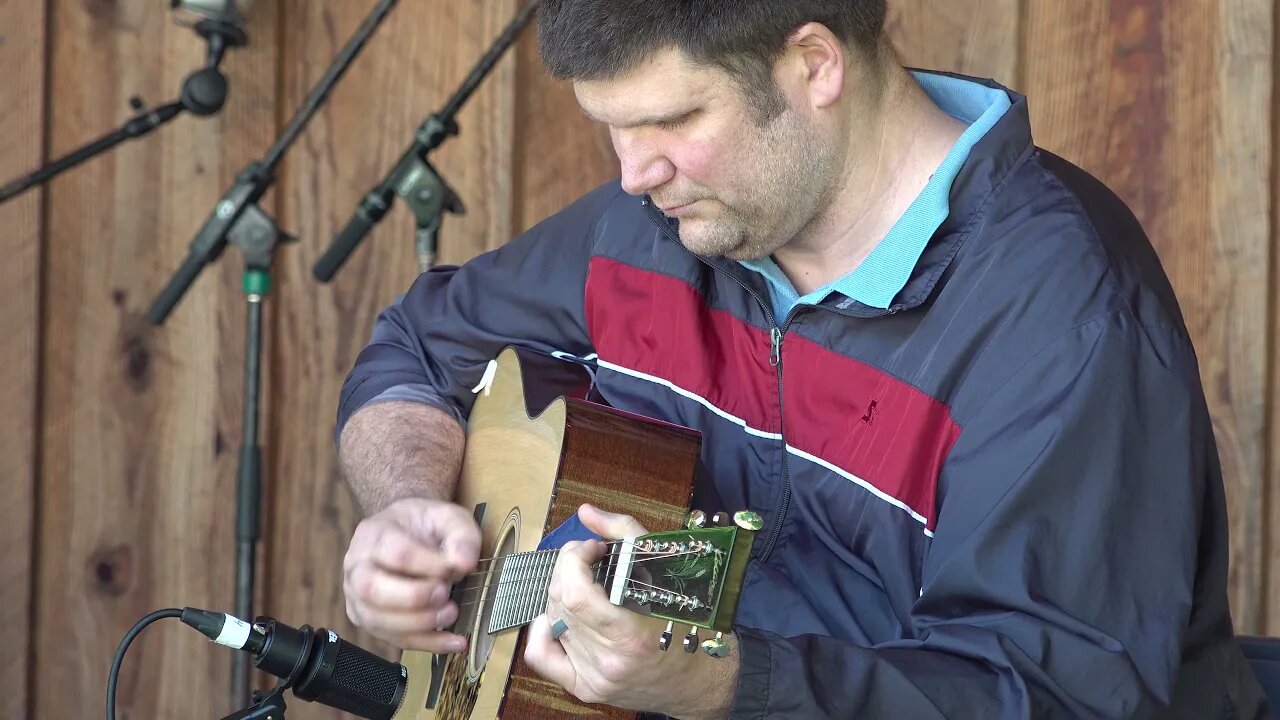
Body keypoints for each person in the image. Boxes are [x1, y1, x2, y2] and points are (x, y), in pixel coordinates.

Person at [334, 1, 1269, 717]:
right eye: (611, 127)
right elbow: (419, 346)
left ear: (814, 65)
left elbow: (1055, 694)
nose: (632, 172)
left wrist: (721, 685)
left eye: (674, 118)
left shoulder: (1059, 318)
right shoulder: (654, 228)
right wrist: (408, 504)